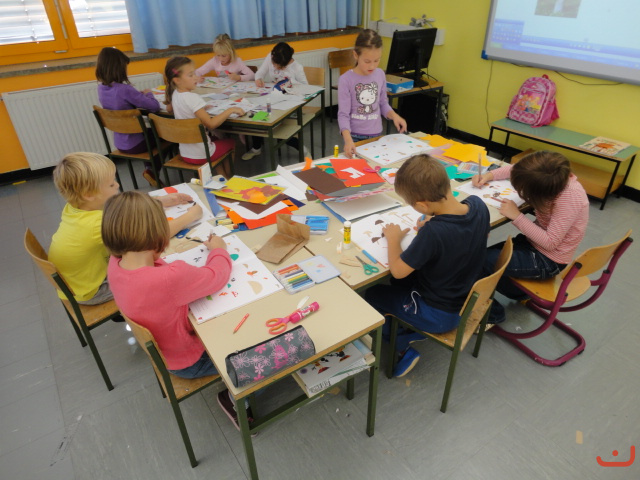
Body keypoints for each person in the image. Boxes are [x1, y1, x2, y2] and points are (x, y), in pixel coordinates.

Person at [102, 191, 251, 429]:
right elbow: (217, 275)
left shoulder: (115, 262)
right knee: (255, 348)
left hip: (166, 354)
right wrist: (219, 249)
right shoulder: (169, 278)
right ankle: (234, 400)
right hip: (191, 362)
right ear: (159, 236)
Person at [364, 155, 490, 377]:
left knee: (373, 293)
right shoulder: (478, 205)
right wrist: (435, 220)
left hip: (438, 315)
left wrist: (393, 239)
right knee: (400, 283)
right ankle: (410, 325)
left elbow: (398, 271)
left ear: (423, 205)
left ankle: (402, 346)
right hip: (465, 298)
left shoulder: (434, 233)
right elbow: (470, 234)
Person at [49, 152, 201, 306]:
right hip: (93, 290)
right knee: (156, 278)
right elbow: (155, 235)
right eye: (111, 184)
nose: (117, 185)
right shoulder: (96, 224)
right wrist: (191, 216)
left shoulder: (76, 206)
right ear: (88, 194)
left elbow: (124, 210)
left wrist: (160, 201)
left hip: (77, 281)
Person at [473, 150, 589, 323]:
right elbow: (516, 170)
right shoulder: (552, 177)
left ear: (539, 192)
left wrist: (517, 216)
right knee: (480, 258)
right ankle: (515, 290)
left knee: (477, 262)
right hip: (532, 244)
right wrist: (489, 175)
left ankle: (492, 314)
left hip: (548, 260)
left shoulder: (569, 199)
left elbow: (550, 242)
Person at [165, 56, 243, 176]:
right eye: (190, 75)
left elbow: (170, 109)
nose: (195, 77)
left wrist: (200, 109)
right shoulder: (192, 97)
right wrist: (231, 109)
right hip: (202, 154)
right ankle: (228, 178)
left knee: (216, 140)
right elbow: (211, 124)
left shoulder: (175, 94)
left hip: (185, 153)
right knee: (231, 142)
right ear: (177, 80)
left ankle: (222, 177)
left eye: (194, 73)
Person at [95, 47, 162, 187]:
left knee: (151, 133)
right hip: (137, 143)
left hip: (120, 143)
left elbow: (121, 102)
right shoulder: (125, 89)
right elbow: (154, 106)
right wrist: (148, 93)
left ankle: (151, 169)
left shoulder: (101, 88)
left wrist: (137, 96)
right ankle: (152, 170)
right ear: (118, 69)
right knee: (165, 135)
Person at [338, 29, 407, 158]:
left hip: (376, 135)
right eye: (367, 61)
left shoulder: (380, 74)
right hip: (354, 136)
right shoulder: (346, 80)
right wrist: (348, 140)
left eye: (377, 60)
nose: (372, 66)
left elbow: (383, 104)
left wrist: (395, 116)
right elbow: (343, 115)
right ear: (355, 55)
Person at [243, 42, 309, 160]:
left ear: (287, 62)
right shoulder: (271, 56)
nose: (275, 67)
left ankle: (302, 149)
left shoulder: (297, 67)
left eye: (279, 66)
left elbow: (306, 87)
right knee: (257, 117)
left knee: (279, 129)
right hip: (272, 98)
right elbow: (260, 72)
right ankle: (256, 148)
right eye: (274, 64)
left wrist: (290, 82)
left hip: (289, 102)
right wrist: (258, 79)